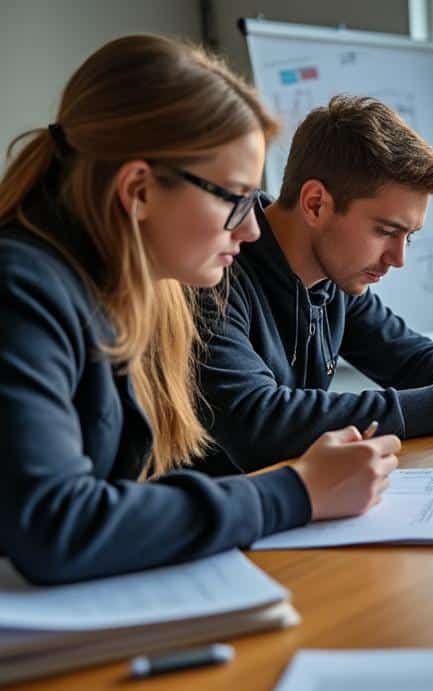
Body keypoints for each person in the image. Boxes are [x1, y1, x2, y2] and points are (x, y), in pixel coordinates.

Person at [0, 36, 399, 585]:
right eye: (234, 197)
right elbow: (58, 525)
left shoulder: (134, 292)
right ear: (138, 189)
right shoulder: (22, 290)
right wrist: (299, 491)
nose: (252, 226)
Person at [193, 95, 433, 475]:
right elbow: (259, 423)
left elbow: (408, 358)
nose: (398, 258)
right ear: (315, 204)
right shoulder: (211, 273)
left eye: (410, 236)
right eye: (386, 231)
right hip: (212, 521)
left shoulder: (333, 275)